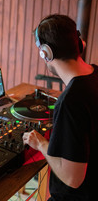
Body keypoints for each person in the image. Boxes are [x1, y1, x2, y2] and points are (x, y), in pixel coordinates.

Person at [23, 14, 98, 201]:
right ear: (80, 44)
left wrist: (40, 143)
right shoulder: (96, 74)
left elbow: (73, 179)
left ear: (46, 53)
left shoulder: (70, 101)